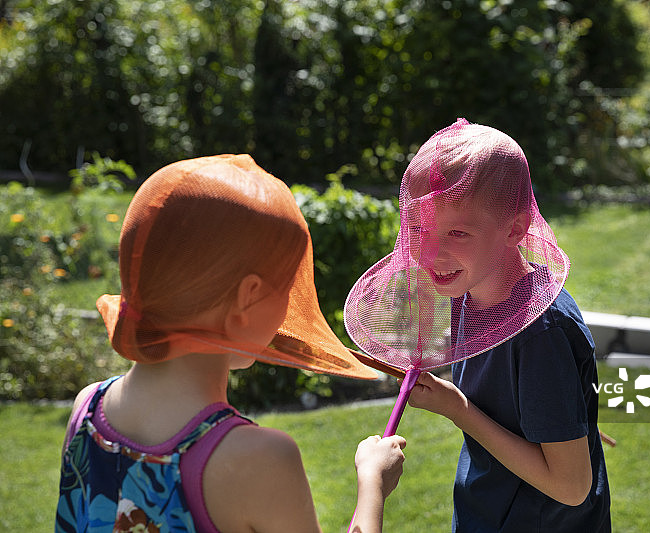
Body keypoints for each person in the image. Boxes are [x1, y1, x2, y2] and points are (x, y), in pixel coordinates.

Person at [55, 154, 406, 533]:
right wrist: (372, 483)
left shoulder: (86, 410)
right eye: (287, 288)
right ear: (247, 297)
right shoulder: (261, 459)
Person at [352, 119, 611, 532]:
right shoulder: (466, 291)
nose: (431, 253)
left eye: (457, 232)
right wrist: (568, 418)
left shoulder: (541, 335)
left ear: (515, 229)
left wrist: (459, 411)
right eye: (419, 229)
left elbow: (571, 486)